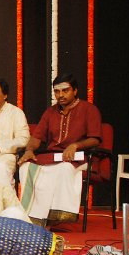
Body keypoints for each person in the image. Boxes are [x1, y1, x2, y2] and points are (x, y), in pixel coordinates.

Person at [18, 73, 102, 228]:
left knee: (64, 168)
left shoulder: (89, 109)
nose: (60, 95)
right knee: (26, 166)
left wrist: (76, 145)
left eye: (65, 90)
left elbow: (95, 139)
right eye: (57, 91)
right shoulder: (50, 112)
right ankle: (34, 215)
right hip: (54, 156)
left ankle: (57, 215)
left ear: (75, 91)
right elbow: (37, 137)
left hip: (80, 157)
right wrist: (29, 150)